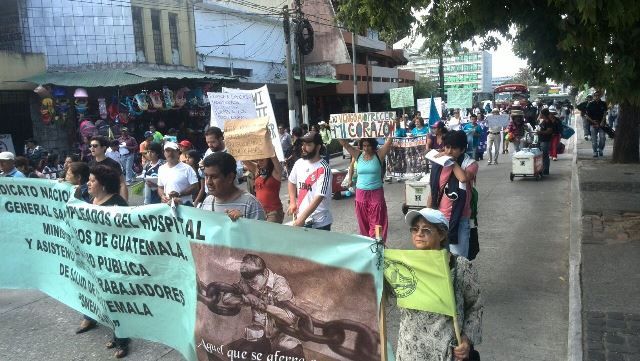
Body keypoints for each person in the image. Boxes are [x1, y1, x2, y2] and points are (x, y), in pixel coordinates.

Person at [395, 208, 482, 361]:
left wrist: (466, 340)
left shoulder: (461, 266)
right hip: (409, 353)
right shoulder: (404, 267)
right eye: (415, 229)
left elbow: (475, 306)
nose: (419, 234)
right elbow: (381, 291)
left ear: (441, 234)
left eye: (426, 230)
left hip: (445, 354)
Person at [214, 254, 304, 358]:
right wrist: (247, 296)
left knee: (293, 353)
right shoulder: (246, 281)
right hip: (260, 337)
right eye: (249, 283)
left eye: (254, 282)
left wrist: (263, 306)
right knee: (238, 355)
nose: (252, 285)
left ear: (265, 273)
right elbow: (227, 299)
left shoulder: (279, 284)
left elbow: (290, 319)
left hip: (283, 336)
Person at [85, 164, 131, 358]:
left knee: (117, 301)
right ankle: (116, 334)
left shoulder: (117, 203)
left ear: (103, 184)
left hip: (114, 261)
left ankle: (123, 340)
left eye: (93, 180)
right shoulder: (92, 200)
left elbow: (126, 232)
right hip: (95, 261)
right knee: (105, 299)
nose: (88, 183)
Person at [428, 131, 478, 258]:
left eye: (454, 148)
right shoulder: (439, 163)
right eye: (447, 147)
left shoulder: (470, 164)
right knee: (440, 258)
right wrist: (427, 214)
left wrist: (453, 163)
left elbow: (463, 178)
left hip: (460, 218)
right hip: (439, 217)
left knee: (458, 258)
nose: (449, 151)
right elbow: (434, 190)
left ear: (462, 150)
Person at [339, 137, 392, 240]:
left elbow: (389, 140)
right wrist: (335, 128)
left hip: (376, 192)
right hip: (361, 193)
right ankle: (366, 243)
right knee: (363, 221)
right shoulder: (358, 155)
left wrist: (393, 124)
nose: (366, 148)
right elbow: (345, 144)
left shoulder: (379, 155)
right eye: (364, 146)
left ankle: (377, 243)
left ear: (373, 146)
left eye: (368, 146)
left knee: (377, 222)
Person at [198, 152, 265, 220]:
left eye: (214, 177)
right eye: (206, 176)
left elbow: (260, 230)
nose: (208, 182)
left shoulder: (250, 204)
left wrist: (243, 222)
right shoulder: (207, 201)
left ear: (230, 177)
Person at [287, 131, 333, 230]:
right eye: (303, 144)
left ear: (318, 147)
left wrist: (302, 218)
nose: (303, 148)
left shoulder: (324, 168)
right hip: (302, 220)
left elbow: (319, 197)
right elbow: (291, 182)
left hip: (320, 223)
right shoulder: (299, 163)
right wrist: (292, 202)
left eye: (308, 145)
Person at [157, 142, 199, 206]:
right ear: (164, 153)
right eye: (167, 151)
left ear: (178, 153)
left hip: (185, 206)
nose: (170, 153)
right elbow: (160, 187)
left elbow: (195, 187)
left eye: (173, 151)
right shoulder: (161, 169)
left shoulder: (187, 168)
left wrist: (179, 194)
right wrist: (163, 196)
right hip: (167, 206)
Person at [244, 155, 284, 223]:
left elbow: (273, 156)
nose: (259, 162)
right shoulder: (258, 170)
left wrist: (268, 150)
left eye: (262, 160)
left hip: (273, 212)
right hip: (260, 211)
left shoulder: (276, 172)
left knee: (269, 233)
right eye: (258, 160)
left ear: (269, 160)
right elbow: (244, 159)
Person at [88, 136, 128, 201]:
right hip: (96, 200)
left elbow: (122, 183)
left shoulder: (113, 164)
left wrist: (124, 202)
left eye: (95, 146)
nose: (92, 148)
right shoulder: (90, 164)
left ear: (103, 148)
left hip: (112, 200)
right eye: (90, 146)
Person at [586, 90, 608, 157]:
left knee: (603, 138)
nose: (597, 97)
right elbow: (587, 116)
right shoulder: (590, 104)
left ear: (600, 96)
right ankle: (595, 151)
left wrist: (602, 122)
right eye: (595, 96)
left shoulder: (603, 103)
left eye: (598, 95)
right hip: (593, 124)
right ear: (593, 96)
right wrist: (593, 121)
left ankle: (600, 149)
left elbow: (605, 114)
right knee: (594, 140)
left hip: (602, 124)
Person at [537, 108, 554, 175]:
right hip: (541, 140)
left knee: (545, 155)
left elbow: (549, 131)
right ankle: (542, 168)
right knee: (542, 155)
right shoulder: (544, 121)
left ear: (543, 114)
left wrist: (540, 132)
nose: (540, 114)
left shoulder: (548, 122)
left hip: (545, 140)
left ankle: (546, 170)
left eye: (541, 113)